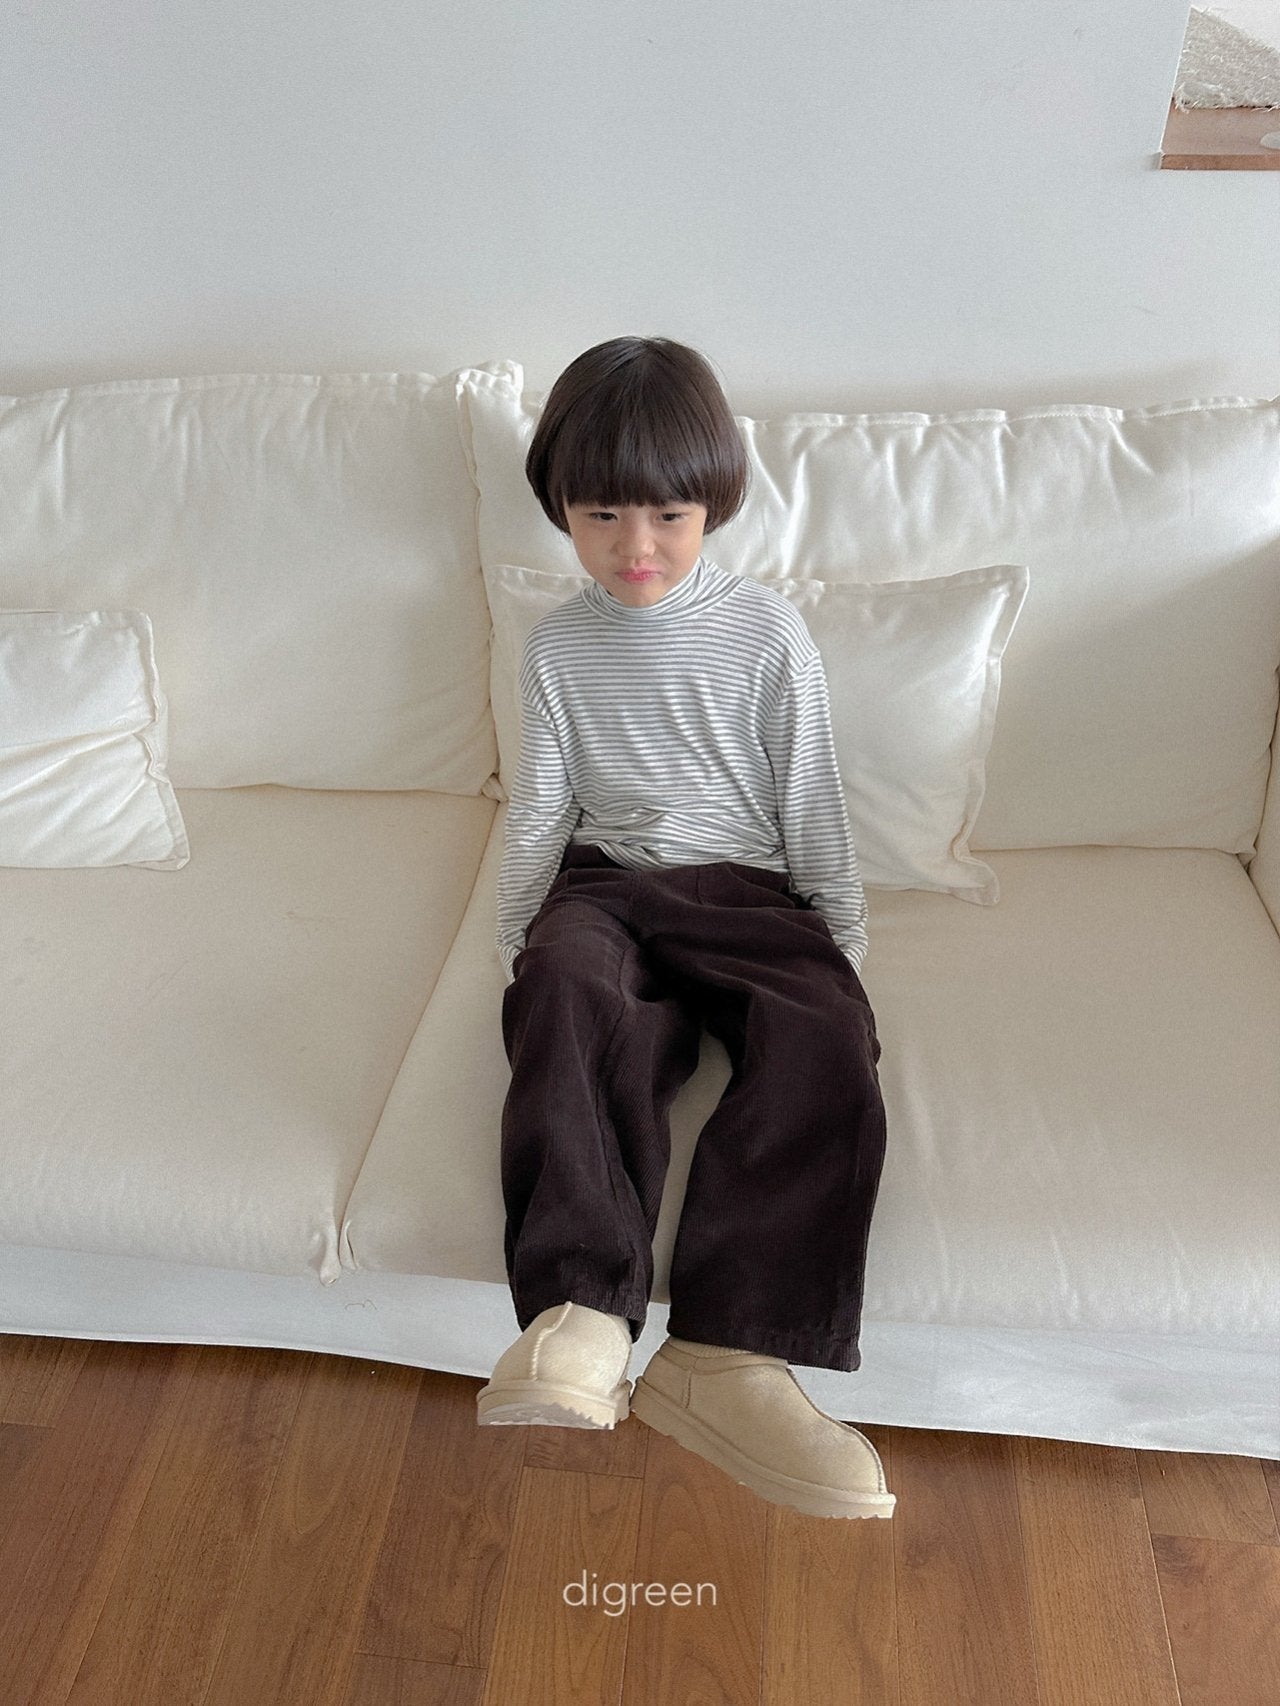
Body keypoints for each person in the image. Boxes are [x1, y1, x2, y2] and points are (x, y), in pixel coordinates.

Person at [475, 336, 894, 1520]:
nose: (635, 547)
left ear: (713, 504)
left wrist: (837, 938)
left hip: (746, 888)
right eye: (600, 515)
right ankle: (580, 1313)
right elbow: (541, 803)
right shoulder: (556, 644)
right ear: (560, 507)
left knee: (824, 1037)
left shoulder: (765, 632)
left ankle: (724, 1355)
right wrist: (517, 931)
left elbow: (808, 791)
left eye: (666, 514)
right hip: (604, 882)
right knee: (565, 992)